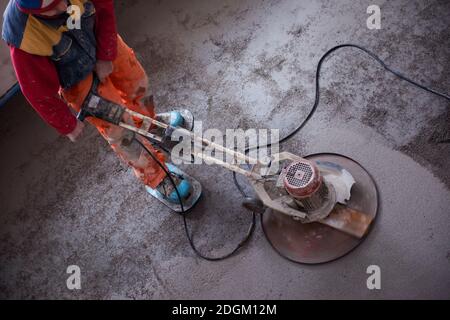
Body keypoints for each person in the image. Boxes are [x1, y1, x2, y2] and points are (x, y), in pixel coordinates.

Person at [2, 0, 193, 205]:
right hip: (75, 80)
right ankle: (156, 176)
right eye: (49, 10)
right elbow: (36, 88)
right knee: (119, 129)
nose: (61, 9)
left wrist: (105, 54)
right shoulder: (22, 35)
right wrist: (65, 123)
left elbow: (105, 10)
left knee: (138, 84)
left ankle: (149, 124)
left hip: (102, 42)